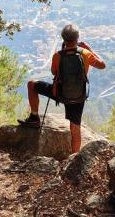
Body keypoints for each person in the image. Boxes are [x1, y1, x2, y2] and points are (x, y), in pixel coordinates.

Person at [19, 24, 105, 153]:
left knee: (32, 84)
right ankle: (75, 157)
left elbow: (54, 72)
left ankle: (34, 117)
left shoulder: (57, 56)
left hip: (60, 94)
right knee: (75, 129)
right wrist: (89, 48)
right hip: (78, 98)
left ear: (63, 39)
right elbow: (102, 65)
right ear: (77, 38)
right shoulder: (86, 54)